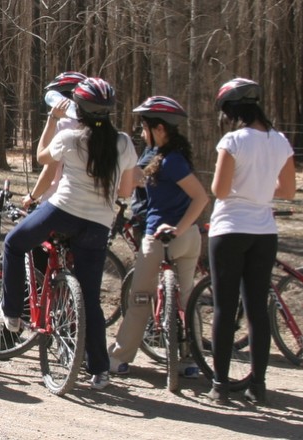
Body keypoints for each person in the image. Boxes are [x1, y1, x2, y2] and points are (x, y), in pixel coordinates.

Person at [0, 78, 138, 390]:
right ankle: (99, 370)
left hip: (61, 212)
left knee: (13, 243)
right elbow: (126, 189)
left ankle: (12, 314)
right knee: (90, 299)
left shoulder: (71, 138)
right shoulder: (124, 143)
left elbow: (41, 157)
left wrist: (53, 119)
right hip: (99, 223)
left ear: (79, 108)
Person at [205, 77, 296, 404]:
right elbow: (287, 191)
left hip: (230, 227)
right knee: (257, 309)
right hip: (264, 232)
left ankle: (219, 384)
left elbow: (219, 190)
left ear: (233, 110)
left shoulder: (233, 141)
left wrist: (243, 186)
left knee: (224, 309)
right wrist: (260, 188)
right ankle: (258, 384)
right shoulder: (280, 141)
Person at [107, 96, 209, 378]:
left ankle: (118, 358)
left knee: (140, 297)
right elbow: (135, 180)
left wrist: (176, 227)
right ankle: (191, 360)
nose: (142, 133)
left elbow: (201, 197)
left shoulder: (171, 161)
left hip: (162, 237)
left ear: (159, 129)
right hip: (189, 240)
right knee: (187, 299)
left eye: (144, 128)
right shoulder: (166, 159)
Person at [23, 71, 87, 204]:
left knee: (25, 226)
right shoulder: (90, 127)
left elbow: (49, 170)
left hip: (59, 201)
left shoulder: (63, 125)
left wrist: (32, 197)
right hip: (86, 202)